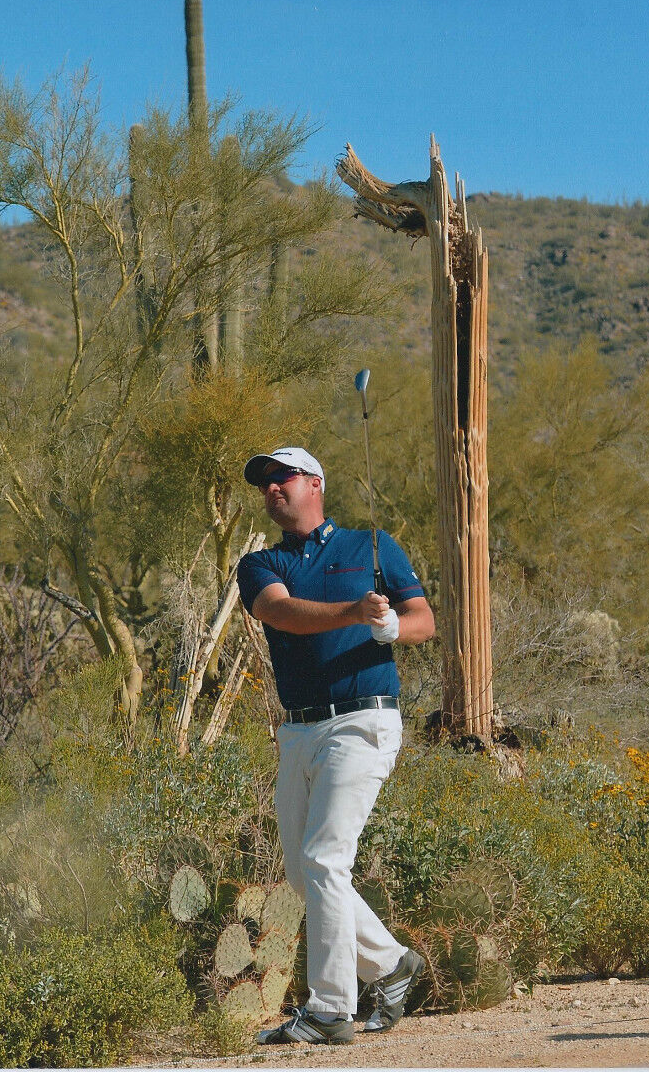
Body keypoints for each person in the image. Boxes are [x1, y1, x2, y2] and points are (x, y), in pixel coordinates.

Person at [236, 446, 436, 1046]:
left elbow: (423, 617)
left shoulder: (372, 546)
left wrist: (394, 626)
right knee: (304, 873)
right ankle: (392, 964)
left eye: (283, 477)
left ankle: (329, 1010)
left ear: (315, 482)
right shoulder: (260, 563)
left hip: (363, 722)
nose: (272, 488)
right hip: (298, 730)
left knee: (326, 859)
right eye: (265, 482)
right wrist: (353, 611)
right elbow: (281, 613)